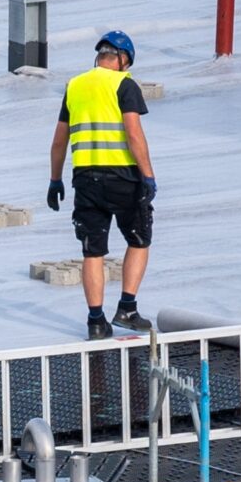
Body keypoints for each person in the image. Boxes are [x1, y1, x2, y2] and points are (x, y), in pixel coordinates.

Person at [47, 30, 156, 340]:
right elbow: (134, 134)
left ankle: (96, 322)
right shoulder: (125, 84)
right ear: (122, 60)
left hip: (85, 179)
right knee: (138, 239)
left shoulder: (75, 86)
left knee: (92, 251)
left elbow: (59, 141)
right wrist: (147, 174)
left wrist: (55, 179)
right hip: (123, 177)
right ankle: (127, 309)